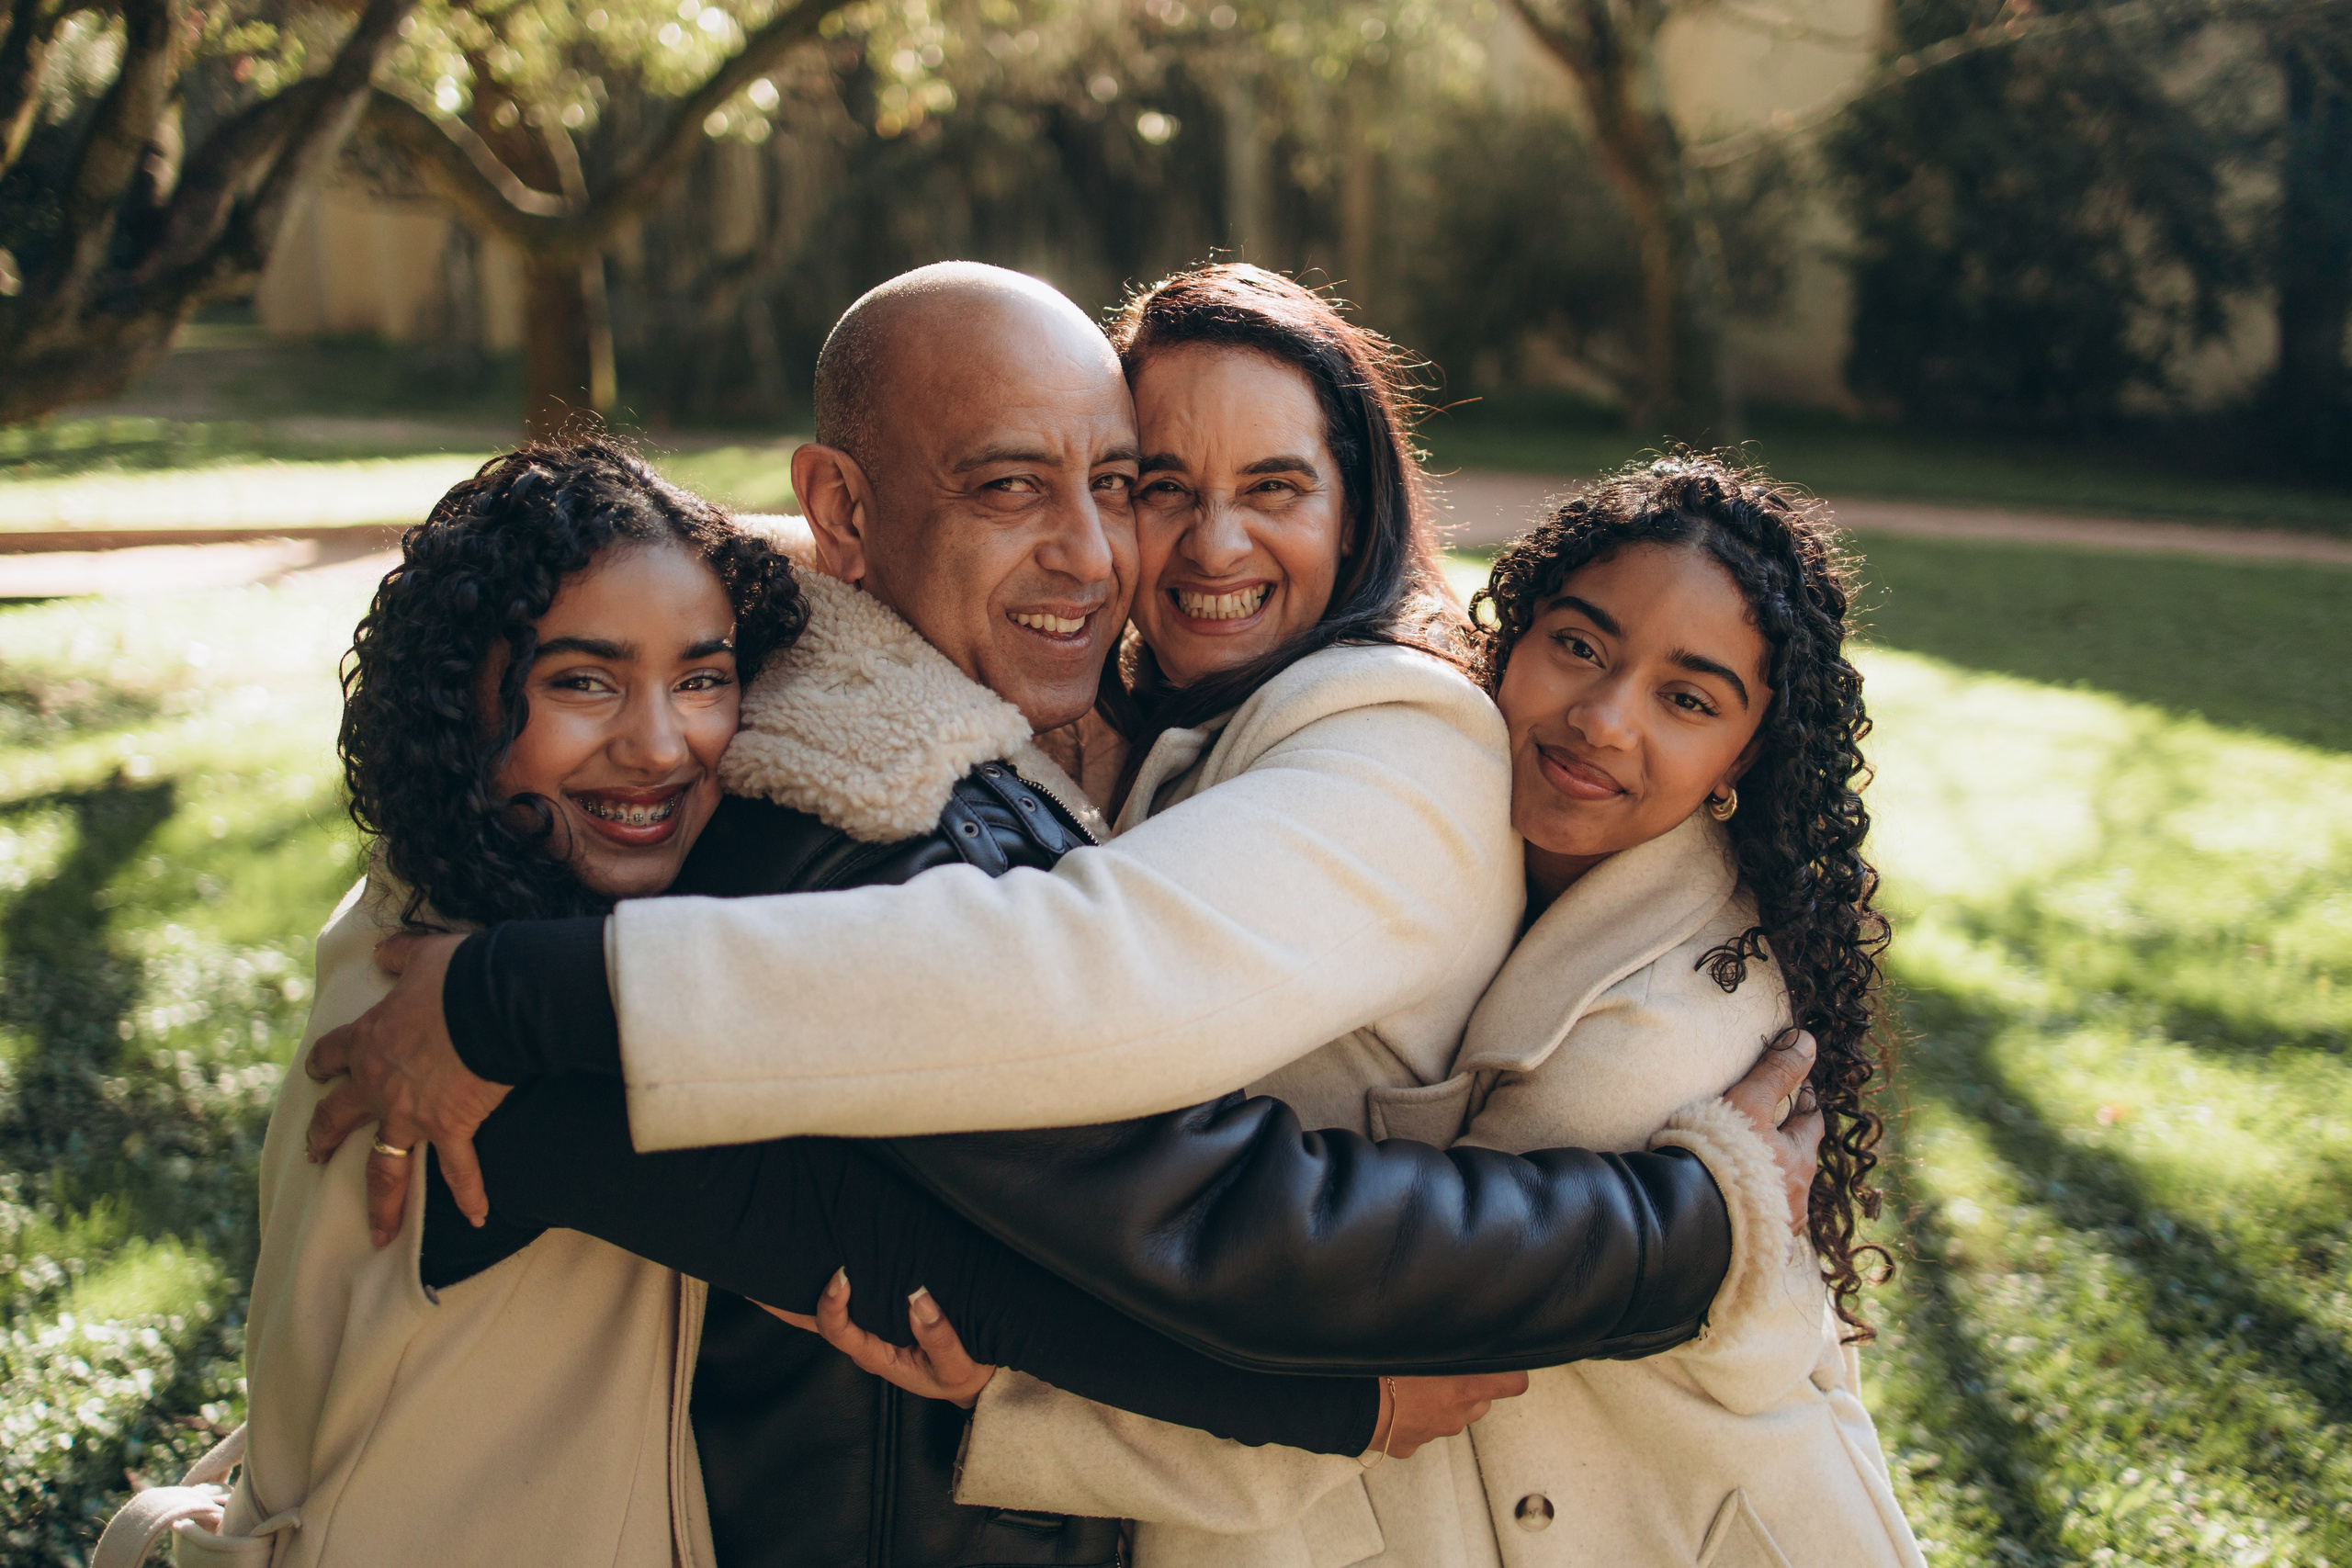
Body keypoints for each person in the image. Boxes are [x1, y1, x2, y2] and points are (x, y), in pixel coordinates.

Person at [303, 265, 1821, 1559]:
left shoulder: (1397, 734)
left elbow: (1095, 1029)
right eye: (1156, 483)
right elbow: (898, 1217)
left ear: (1361, 510)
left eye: (1139, 485)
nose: (1151, 549)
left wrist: (1686, 1233)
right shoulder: (460, 949)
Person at [130, 440, 1485, 1568]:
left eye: (705, 677)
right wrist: (1341, 1398)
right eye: (581, 681)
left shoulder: (477, 910)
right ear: (457, 702)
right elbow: (905, 1258)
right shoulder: (462, 1023)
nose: (662, 743)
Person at [875, 457, 1926, 1567]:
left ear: (1743, 753)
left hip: (1692, 1524)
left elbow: (1419, 1333)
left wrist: (1034, 1392)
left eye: (1687, 699)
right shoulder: (1414, 827)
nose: (1604, 720)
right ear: (1509, 638)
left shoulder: (1691, 999)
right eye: (1579, 646)